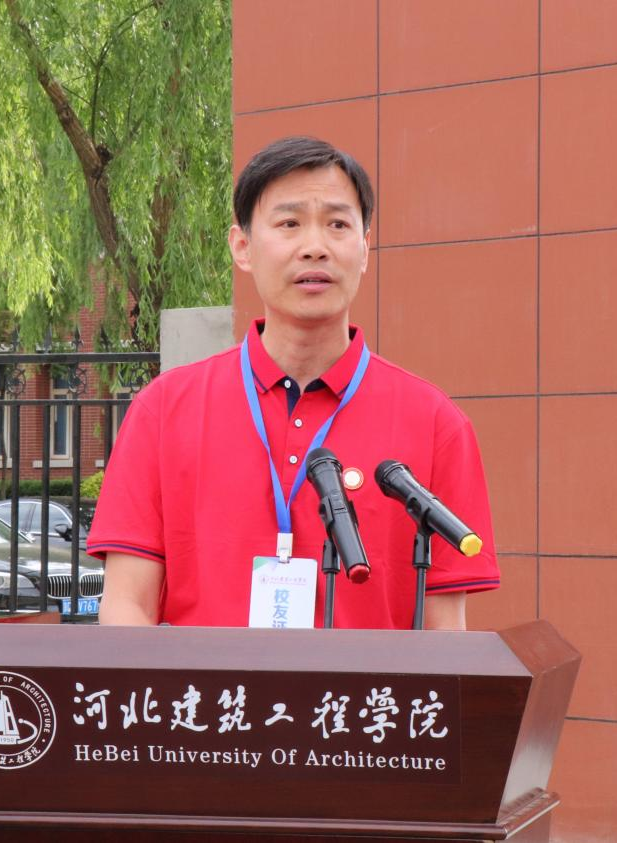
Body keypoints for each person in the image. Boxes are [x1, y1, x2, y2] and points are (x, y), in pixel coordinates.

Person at [87, 136, 499, 630]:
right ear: (242, 247)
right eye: (289, 224)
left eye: (338, 225)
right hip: (208, 685)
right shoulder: (163, 410)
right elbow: (126, 607)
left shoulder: (436, 424)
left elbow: (444, 631)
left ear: (364, 249)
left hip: (364, 687)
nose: (315, 247)